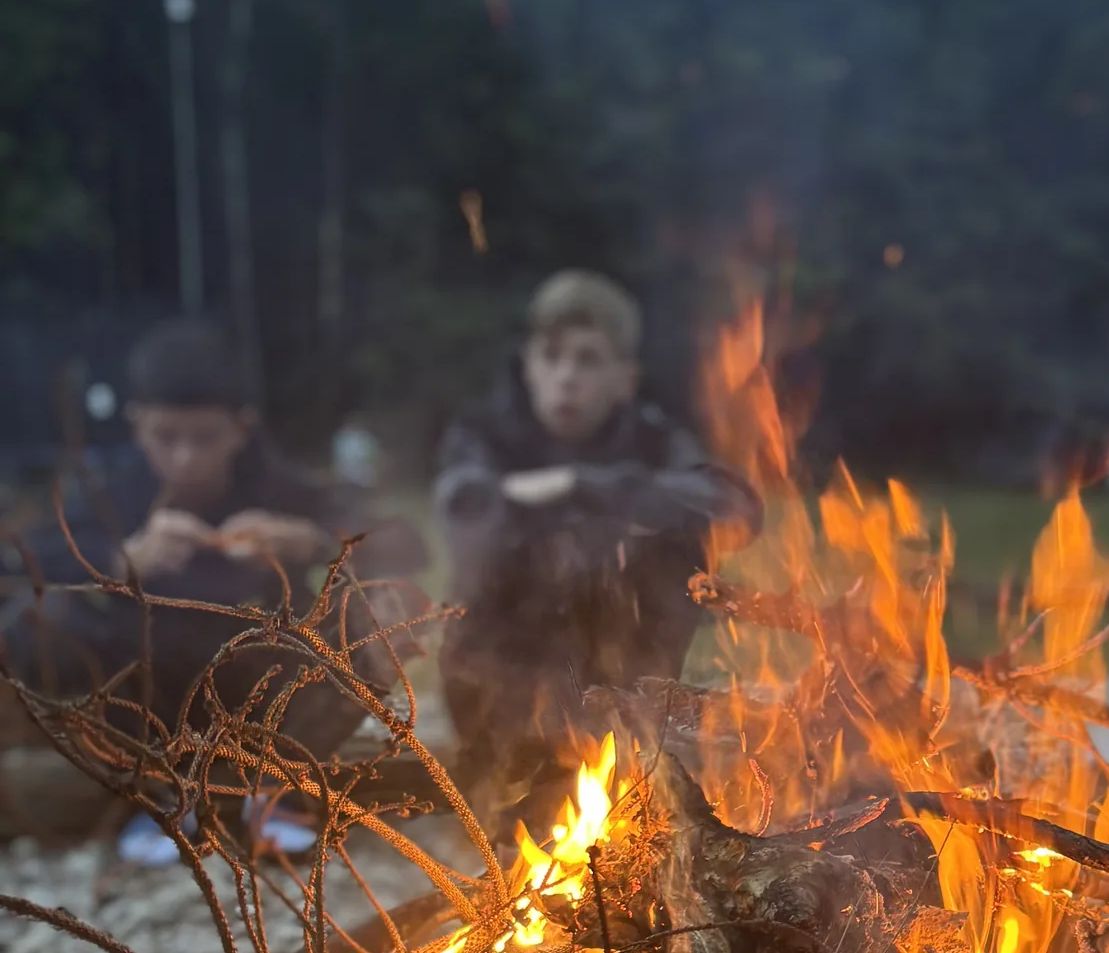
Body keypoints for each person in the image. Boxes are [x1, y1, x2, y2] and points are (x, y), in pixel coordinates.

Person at [0, 320, 424, 862]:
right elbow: (21, 561)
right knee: (42, 618)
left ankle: (282, 788)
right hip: (147, 693)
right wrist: (118, 559)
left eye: (205, 439)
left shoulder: (277, 485)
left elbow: (408, 543)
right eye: (166, 437)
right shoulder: (111, 495)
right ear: (137, 425)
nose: (184, 457)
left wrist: (309, 539)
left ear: (242, 429)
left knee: (396, 607)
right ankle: (156, 795)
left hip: (266, 687)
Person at [435, 269, 760, 819]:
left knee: (676, 542)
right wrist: (605, 521)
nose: (566, 377)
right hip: (504, 689)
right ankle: (514, 771)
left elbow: (735, 505)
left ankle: (621, 751)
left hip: (617, 684)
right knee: (515, 555)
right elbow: (464, 510)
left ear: (625, 378)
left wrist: (582, 486)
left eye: (588, 360)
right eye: (552, 356)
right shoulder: (484, 435)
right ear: (530, 365)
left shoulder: (653, 440)